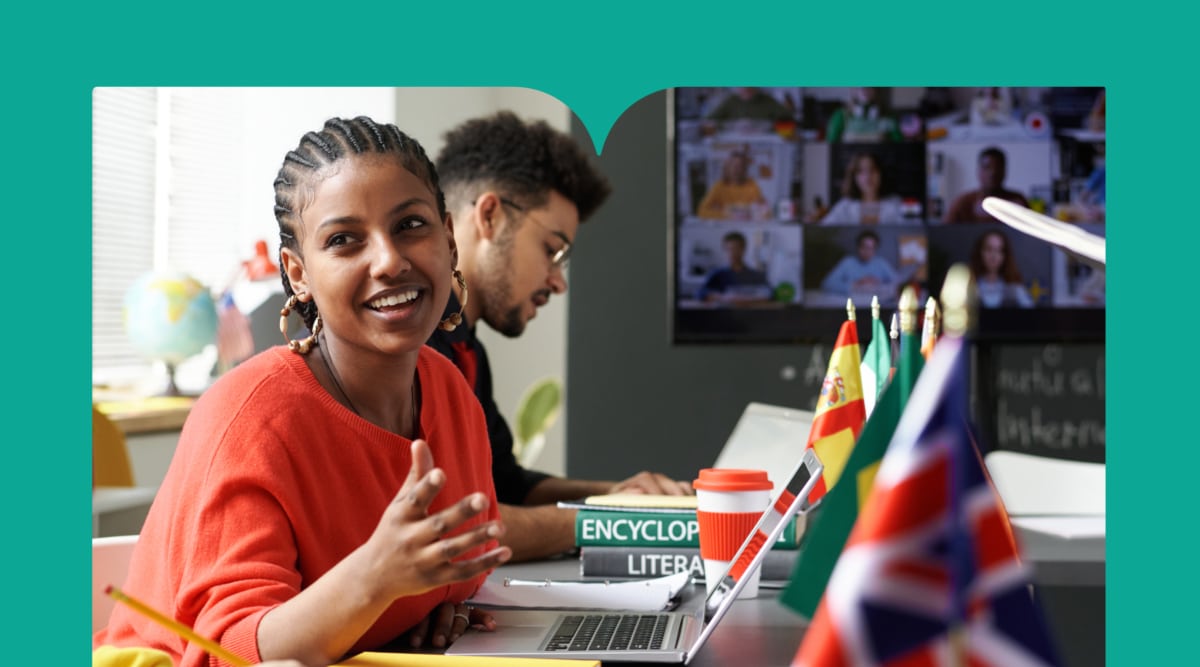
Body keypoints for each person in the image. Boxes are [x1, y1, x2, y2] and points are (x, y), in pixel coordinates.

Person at [97, 117, 512, 667]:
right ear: (298, 274)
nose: (389, 261)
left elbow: (456, 572)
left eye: (411, 225)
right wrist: (375, 580)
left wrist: (431, 605)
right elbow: (231, 652)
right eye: (344, 240)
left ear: (449, 238)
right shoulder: (251, 417)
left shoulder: (452, 393)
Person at [430, 112, 693, 563]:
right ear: (490, 216)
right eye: (551, 250)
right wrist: (617, 521)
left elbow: (506, 485)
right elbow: (455, 525)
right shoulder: (411, 353)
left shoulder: (467, 349)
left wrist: (619, 495)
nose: (558, 282)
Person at [943, 146, 1030, 223]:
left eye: (998, 167)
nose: (993, 173)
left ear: (1004, 171)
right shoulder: (963, 203)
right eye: (987, 167)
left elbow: (1032, 236)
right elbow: (944, 235)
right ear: (978, 171)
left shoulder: (1018, 201)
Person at [819, 152, 905, 224]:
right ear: (854, 177)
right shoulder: (844, 206)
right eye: (861, 171)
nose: (868, 176)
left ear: (881, 174)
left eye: (872, 170)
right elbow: (824, 230)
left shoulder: (897, 203)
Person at [697, 231, 773, 304]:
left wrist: (748, 300)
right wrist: (723, 298)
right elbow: (701, 292)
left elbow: (769, 293)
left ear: (743, 249)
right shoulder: (718, 274)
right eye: (729, 249)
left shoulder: (756, 275)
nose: (732, 253)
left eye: (736, 248)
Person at [819, 230, 899, 296]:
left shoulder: (881, 263)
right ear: (858, 247)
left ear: (875, 250)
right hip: (853, 305)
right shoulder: (848, 262)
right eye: (863, 247)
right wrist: (856, 284)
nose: (867, 251)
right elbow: (827, 283)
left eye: (871, 248)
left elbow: (899, 282)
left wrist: (878, 283)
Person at [696, 148, 767, 220]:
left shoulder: (752, 185)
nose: (735, 169)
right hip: (725, 226)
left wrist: (752, 214)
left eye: (739, 166)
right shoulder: (719, 186)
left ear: (744, 169)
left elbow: (766, 212)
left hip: (747, 227)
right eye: (732, 165)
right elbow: (702, 211)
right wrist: (725, 216)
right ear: (727, 167)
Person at [969, 229, 1034, 308]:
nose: (993, 256)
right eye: (989, 249)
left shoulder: (1014, 290)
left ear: (1005, 255)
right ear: (980, 252)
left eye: (999, 250)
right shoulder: (969, 289)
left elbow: (1031, 315)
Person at [825, 87, 901, 143]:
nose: (865, 89)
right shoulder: (841, 115)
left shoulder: (888, 116)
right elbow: (831, 144)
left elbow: (899, 142)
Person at [706, 86, 794, 124]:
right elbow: (710, 119)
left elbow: (787, 117)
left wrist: (768, 125)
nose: (747, 88)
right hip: (734, 142)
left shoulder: (767, 100)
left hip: (763, 142)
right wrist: (730, 125)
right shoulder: (731, 101)